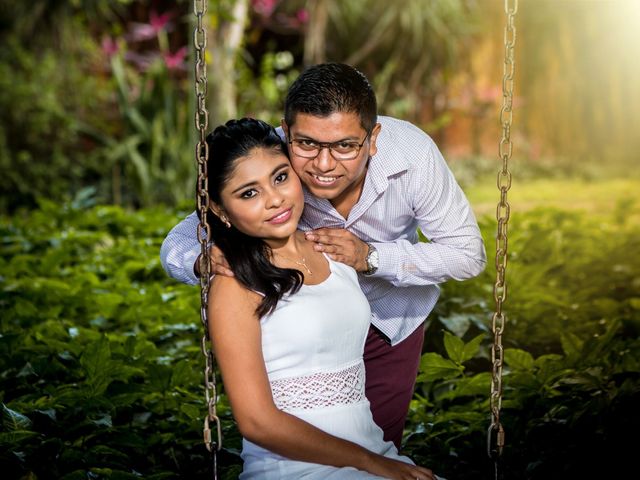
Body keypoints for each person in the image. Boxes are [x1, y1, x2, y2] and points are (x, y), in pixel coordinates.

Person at [161, 63, 486, 449]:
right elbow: (184, 234)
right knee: (305, 437)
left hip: (392, 319)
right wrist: (203, 260)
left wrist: (372, 257)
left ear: (373, 137)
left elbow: (468, 254)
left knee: (377, 444)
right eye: (308, 144)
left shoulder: (413, 156)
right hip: (306, 326)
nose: (324, 165)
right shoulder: (274, 158)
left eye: (345, 146)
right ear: (287, 130)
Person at [200, 117, 437, 479]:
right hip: (295, 468)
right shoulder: (235, 283)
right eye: (249, 193)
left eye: (280, 177)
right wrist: (372, 463)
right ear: (220, 210)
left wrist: (381, 460)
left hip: (374, 452)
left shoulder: (333, 253)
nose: (274, 199)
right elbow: (257, 423)